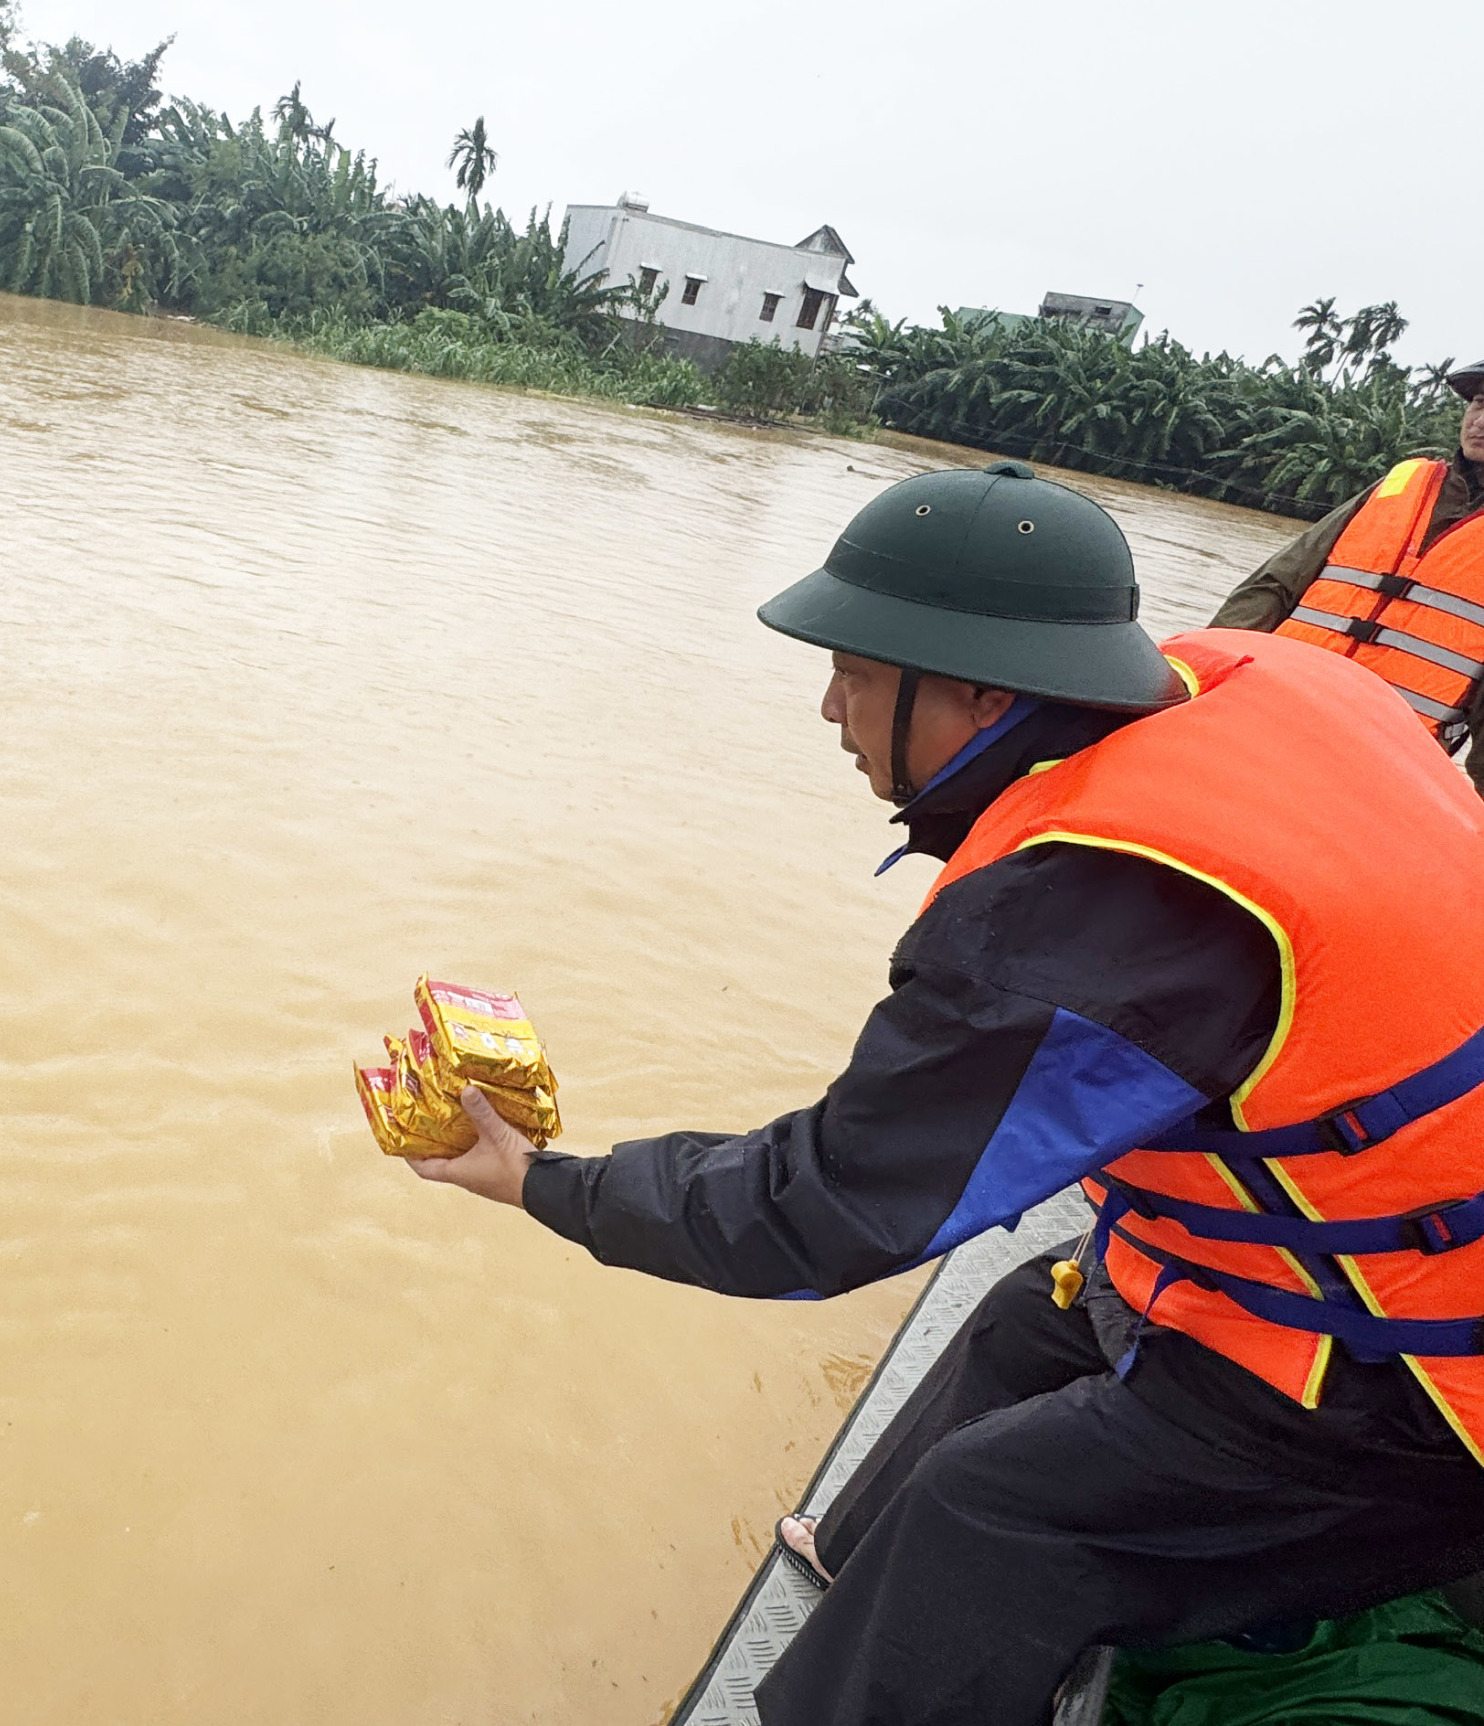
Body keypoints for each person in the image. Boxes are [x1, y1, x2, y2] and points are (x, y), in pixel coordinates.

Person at [405, 461, 1484, 1726]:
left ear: (979, 690)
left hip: (1412, 1390)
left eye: (857, 673)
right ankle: (857, 1574)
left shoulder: (1098, 904)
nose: (828, 707)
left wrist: (545, 1182)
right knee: (1031, 1320)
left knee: (994, 1514)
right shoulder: (1248, 693)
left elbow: (828, 1205)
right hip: (1384, 1255)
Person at [1211, 359, 1484, 789]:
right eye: (1478, 405)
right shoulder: (1401, 484)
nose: (1480, 422)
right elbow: (1274, 586)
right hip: (1273, 709)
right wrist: (1208, 673)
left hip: (1379, 766)